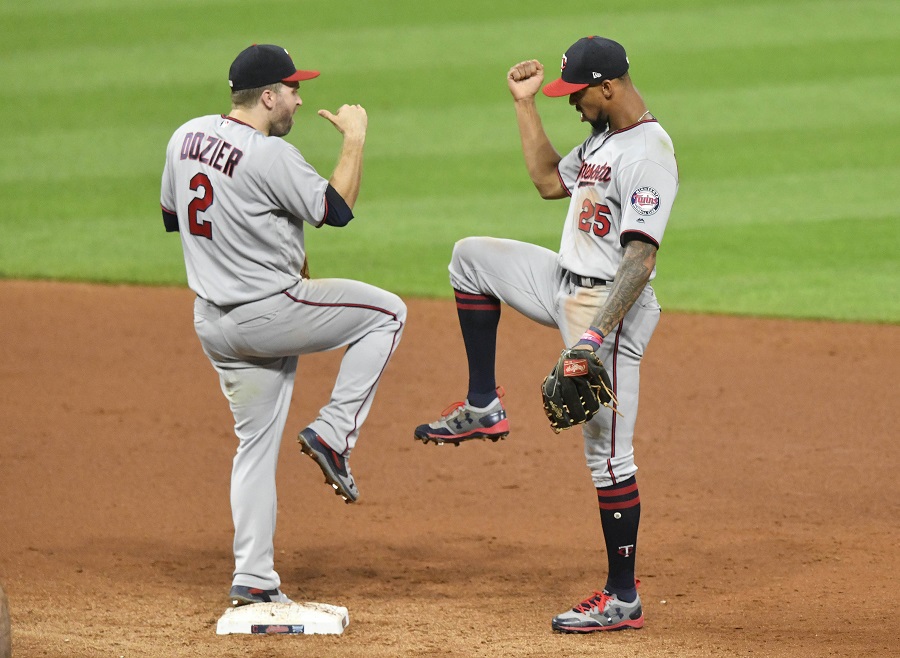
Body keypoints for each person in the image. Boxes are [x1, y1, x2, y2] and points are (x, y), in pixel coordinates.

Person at [414, 36, 678, 632]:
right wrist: (524, 103)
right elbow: (544, 180)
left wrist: (591, 340)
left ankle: (622, 597)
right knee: (470, 258)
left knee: (608, 456)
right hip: (563, 280)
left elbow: (639, 260)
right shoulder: (604, 137)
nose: (570, 102)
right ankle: (484, 403)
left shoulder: (649, 152)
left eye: (575, 92)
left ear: (608, 86)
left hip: (607, 304)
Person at [160, 44, 406, 607]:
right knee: (388, 313)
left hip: (212, 324)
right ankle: (334, 432)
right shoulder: (270, 155)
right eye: (292, 88)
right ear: (267, 97)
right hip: (268, 314)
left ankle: (253, 577)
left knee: (254, 447)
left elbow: (178, 219)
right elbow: (336, 208)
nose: (299, 97)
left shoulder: (184, 137)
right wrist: (355, 137)